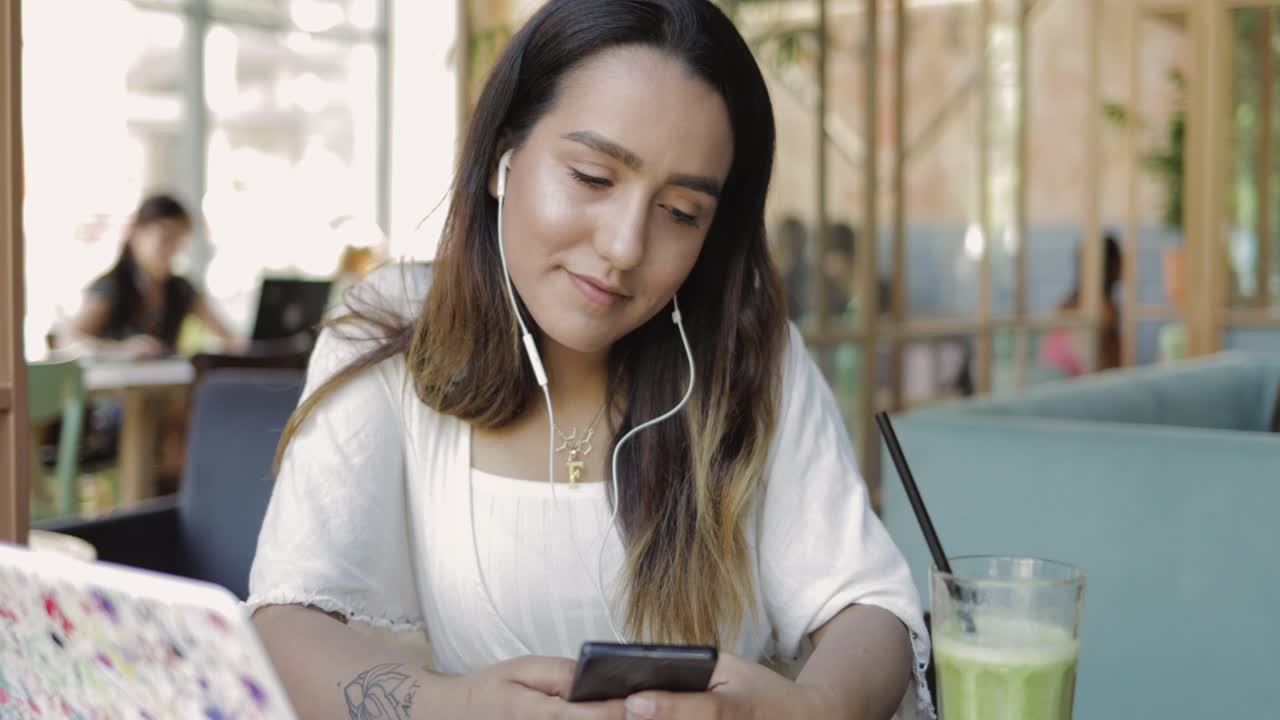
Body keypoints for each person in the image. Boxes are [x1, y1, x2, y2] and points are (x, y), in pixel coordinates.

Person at [247, 2, 932, 719]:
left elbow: (871, 609)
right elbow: (288, 621)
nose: (625, 247)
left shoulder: (750, 355)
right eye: (593, 177)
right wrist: (457, 708)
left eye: (680, 213)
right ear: (503, 157)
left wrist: (807, 712)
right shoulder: (394, 330)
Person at [57, 193, 241, 358]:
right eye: (166, 238)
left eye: (179, 241)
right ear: (137, 233)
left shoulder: (181, 289)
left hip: (166, 390)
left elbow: (231, 340)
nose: (172, 250)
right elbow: (68, 342)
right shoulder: (112, 287)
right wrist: (122, 350)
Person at [1038, 232, 1122, 377]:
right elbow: (1114, 369)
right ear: (1112, 265)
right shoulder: (1106, 311)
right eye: (1120, 261)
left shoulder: (1063, 306)